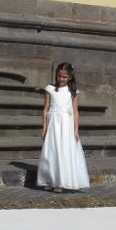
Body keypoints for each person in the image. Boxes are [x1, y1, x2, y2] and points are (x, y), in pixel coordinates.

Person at [37, 62, 89, 192]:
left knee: (64, 151)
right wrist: (44, 128)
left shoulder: (73, 91)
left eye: (64, 77)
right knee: (52, 152)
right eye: (59, 76)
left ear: (70, 77)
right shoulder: (50, 89)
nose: (61, 79)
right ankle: (50, 179)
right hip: (54, 124)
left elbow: (76, 111)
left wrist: (76, 130)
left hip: (67, 124)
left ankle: (60, 181)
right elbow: (45, 109)